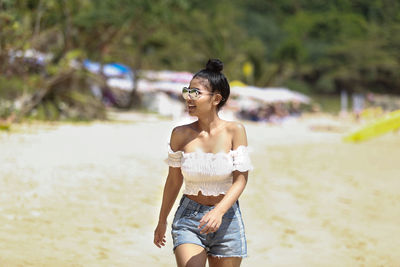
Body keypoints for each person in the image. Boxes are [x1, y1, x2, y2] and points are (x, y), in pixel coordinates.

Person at [153, 59, 254, 267]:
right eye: (187, 92)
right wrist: (162, 220)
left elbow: (240, 180)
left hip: (227, 219)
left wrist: (218, 211)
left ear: (216, 98)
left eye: (195, 93)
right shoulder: (179, 134)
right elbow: (173, 181)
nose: (189, 98)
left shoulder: (235, 131)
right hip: (188, 219)